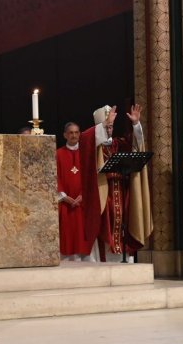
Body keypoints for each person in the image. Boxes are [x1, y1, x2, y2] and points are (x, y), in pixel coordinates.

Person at [78, 104, 152, 262]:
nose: (109, 129)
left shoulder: (118, 144)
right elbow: (85, 139)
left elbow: (136, 145)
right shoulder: (93, 144)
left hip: (121, 191)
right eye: (106, 126)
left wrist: (135, 124)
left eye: (111, 126)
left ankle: (122, 259)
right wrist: (103, 124)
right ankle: (103, 260)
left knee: (123, 223)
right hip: (103, 194)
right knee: (105, 225)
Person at [56, 121, 93, 260]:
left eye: (76, 132)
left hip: (82, 201)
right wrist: (64, 196)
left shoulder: (86, 154)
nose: (74, 135)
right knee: (67, 232)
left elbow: (90, 177)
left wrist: (83, 195)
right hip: (65, 202)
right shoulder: (58, 154)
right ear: (65, 135)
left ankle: (85, 261)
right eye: (71, 133)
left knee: (82, 233)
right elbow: (55, 177)